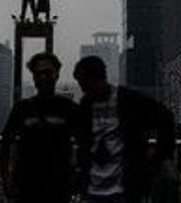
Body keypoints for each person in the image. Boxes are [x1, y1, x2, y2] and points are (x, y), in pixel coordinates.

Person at [73, 56, 175, 203]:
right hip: (108, 187)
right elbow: (165, 117)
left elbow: (165, 118)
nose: (84, 89)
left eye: (84, 84)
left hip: (117, 187)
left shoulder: (126, 100)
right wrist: (160, 157)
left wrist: (159, 157)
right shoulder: (94, 104)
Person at [0, 52, 81, 203]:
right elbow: (5, 142)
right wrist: (6, 178)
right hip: (25, 185)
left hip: (59, 186)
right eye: (38, 74)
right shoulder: (22, 108)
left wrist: (77, 178)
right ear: (33, 77)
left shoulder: (70, 108)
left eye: (48, 73)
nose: (43, 77)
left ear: (57, 74)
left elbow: (85, 143)